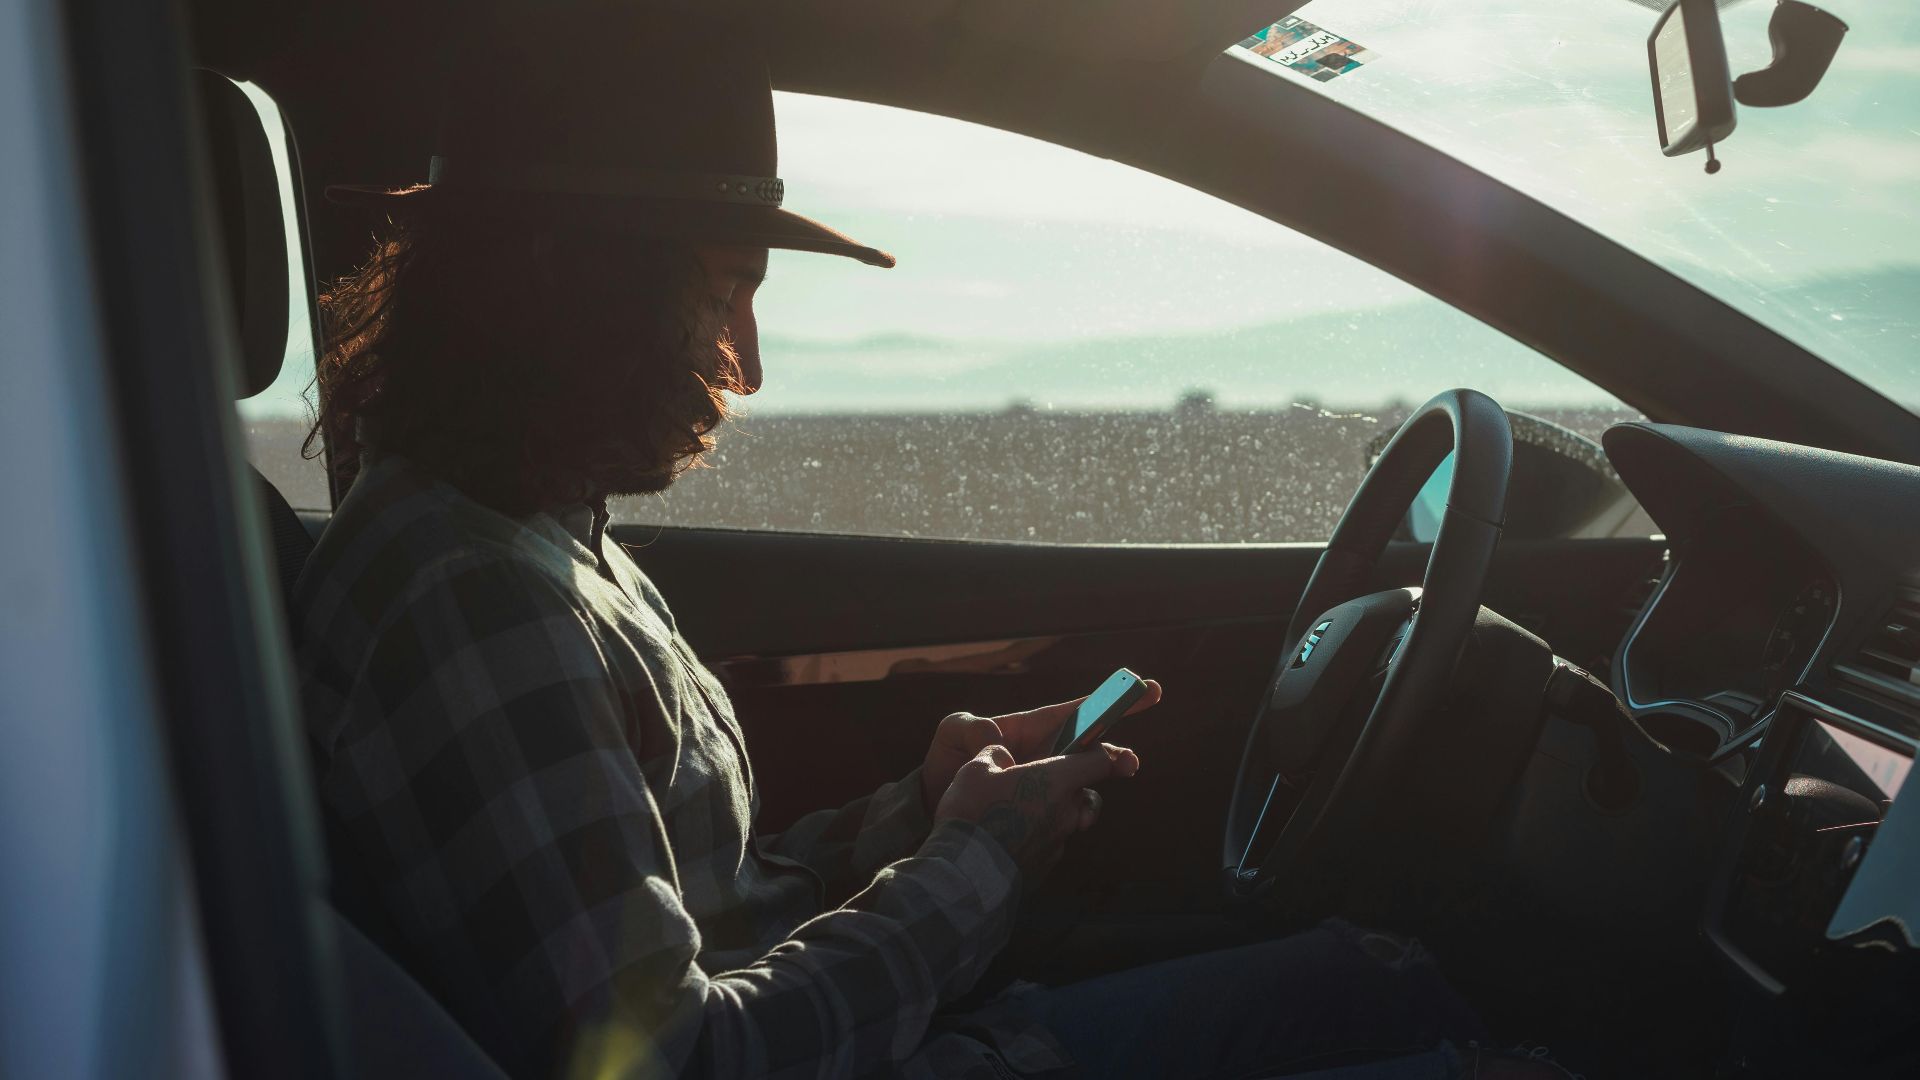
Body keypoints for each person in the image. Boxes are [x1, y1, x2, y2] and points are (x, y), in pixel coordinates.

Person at [295, 7, 1569, 1079]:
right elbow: (675, 1061)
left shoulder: (530, 530)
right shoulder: (472, 601)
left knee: (1369, 976)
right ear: (562, 281)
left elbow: (706, 907)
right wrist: (975, 869)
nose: (744, 362)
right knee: (1425, 1014)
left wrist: (915, 817)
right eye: (722, 292)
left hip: (913, 1034)